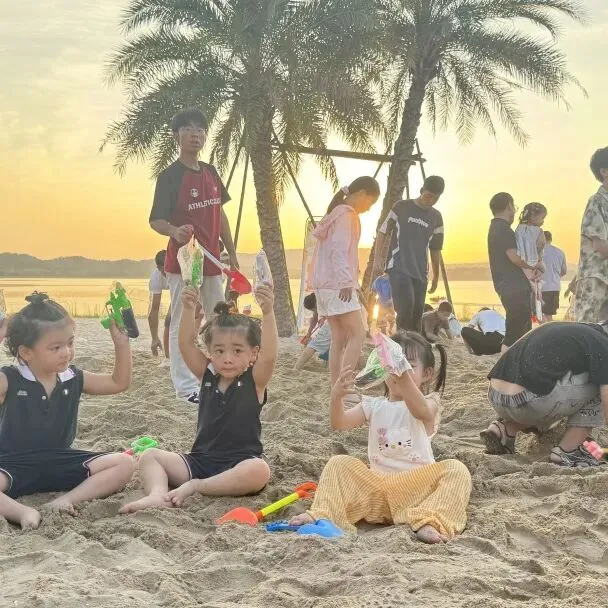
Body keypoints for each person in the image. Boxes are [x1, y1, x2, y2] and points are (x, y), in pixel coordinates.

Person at [289, 332, 472, 543]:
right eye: (391, 366)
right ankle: (324, 514)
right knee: (338, 463)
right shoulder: (373, 405)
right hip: (376, 487)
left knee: (457, 470)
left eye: (409, 366)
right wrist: (336, 398)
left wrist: (401, 371)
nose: (397, 371)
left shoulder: (430, 401)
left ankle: (430, 520)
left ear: (427, 374)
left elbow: (422, 411)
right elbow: (339, 423)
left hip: (416, 489)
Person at [120, 284, 277, 513]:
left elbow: (270, 356)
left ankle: (198, 487)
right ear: (210, 351)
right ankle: (157, 495)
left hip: (238, 464)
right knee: (149, 456)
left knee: (260, 470)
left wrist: (268, 312)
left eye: (237, 351)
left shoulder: (255, 381)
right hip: (199, 461)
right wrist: (188, 309)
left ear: (253, 353)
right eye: (220, 351)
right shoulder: (207, 375)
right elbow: (185, 344)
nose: (228, 358)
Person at [0, 293, 134, 529]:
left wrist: (121, 344)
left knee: (125, 464)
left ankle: (65, 500)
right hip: (13, 464)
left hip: (61, 460)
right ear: (26, 352)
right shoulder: (9, 379)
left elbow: (118, 382)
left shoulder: (73, 378)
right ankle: (21, 512)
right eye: (56, 347)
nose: (66, 352)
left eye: (70, 343)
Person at [149, 108, 239, 404]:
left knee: (219, 317)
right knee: (183, 318)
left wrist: (231, 253)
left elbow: (220, 214)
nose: (195, 134)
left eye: (200, 129)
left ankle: (221, 373)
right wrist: (174, 231)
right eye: (188, 129)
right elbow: (156, 220)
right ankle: (186, 386)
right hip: (185, 261)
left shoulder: (211, 172)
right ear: (176, 136)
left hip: (212, 259)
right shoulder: (170, 176)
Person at [480, 321, 608, 467]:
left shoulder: (575, 331)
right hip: (530, 400)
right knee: (602, 383)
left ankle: (505, 429)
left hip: (495, 395)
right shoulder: (603, 344)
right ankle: (569, 450)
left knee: (550, 382)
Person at [309, 176, 380, 388]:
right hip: (337, 285)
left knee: (338, 338)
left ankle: (336, 386)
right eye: (370, 202)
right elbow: (339, 251)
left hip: (324, 284)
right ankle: (345, 384)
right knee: (357, 334)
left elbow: (333, 251)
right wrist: (346, 282)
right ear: (362, 193)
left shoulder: (335, 213)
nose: (368, 208)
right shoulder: (347, 216)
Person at [373, 176, 445, 333]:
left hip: (420, 271)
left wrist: (435, 276)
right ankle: (402, 343)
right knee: (407, 305)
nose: (431, 200)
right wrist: (378, 259)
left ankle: (413, 343)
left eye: (435, 198)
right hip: (398, 266)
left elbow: (435, 249)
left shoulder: (436, 217)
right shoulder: (401, 207)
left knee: (417, 312)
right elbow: (383, 231)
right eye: (428, 196)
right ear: (421, 190)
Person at [487, 193, 541, 351]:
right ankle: (505, 361)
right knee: (516, 332)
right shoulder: (504, 230)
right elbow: (515, 258)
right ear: (508, 206)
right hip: (514, 287)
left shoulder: (495, 228)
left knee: (519, 329)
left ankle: (517, 359)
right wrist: (534, 265)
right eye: (513, 207)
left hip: (507, 286)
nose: (514, 212)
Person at [575, 147, 608, 323]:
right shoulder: (597, 202)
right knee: (587, 331)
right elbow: (600, 245)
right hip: (596, 279)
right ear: (604, 171)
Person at [515, 202, 547, 322]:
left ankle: (532, 316)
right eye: (542, 217)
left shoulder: (518, 229)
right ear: (533, 215)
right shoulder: (539, 231)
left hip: (521, 266)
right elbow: (541, 246)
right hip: (534, 264)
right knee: (536, 294)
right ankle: (538, 316)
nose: (543, 221)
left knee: (527, 297)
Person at [294, 293, 331, 370]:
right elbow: (314, 318)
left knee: (313, 345)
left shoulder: (324, 298)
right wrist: (308, 334)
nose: (316, 311)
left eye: (314, 309)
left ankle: (296, 368)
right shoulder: (319, 299)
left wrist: (325, 318)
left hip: (334, 323)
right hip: (342, 322)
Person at [148, 250, 171, 361]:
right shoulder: (156, 278)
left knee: (171, 319)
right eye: (163, 271)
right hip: (175, 288)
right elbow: (154, 308)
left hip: (185, 287)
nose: (167, 274)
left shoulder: (178, 272)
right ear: (158, 268)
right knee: (169, 320)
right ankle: (168, 357)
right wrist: (154, 338)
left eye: (168, 270)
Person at [541, 231, 567, 322]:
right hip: (556, 287)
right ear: (551, 239)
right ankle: (551, 329)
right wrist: (555, 277)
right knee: (549, 315)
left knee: (542, 315)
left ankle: (549, 330)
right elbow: (564, 271)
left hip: (543, 288)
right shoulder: (560, 252)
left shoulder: (539, 251)